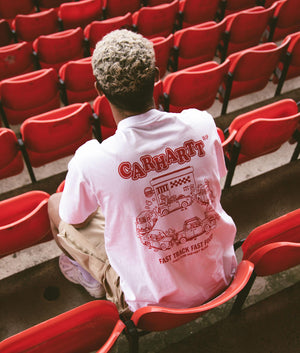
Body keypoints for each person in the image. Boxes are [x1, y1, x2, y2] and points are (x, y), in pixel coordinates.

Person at [48, 29, 237, 318]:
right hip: (221, 276)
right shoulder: (201, 123)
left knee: (55, 206)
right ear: (156, 75)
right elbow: (217, 181)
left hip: (152, 307)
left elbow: (74, 218)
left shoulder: (91, 158)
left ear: (99, 89)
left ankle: (96, 277)